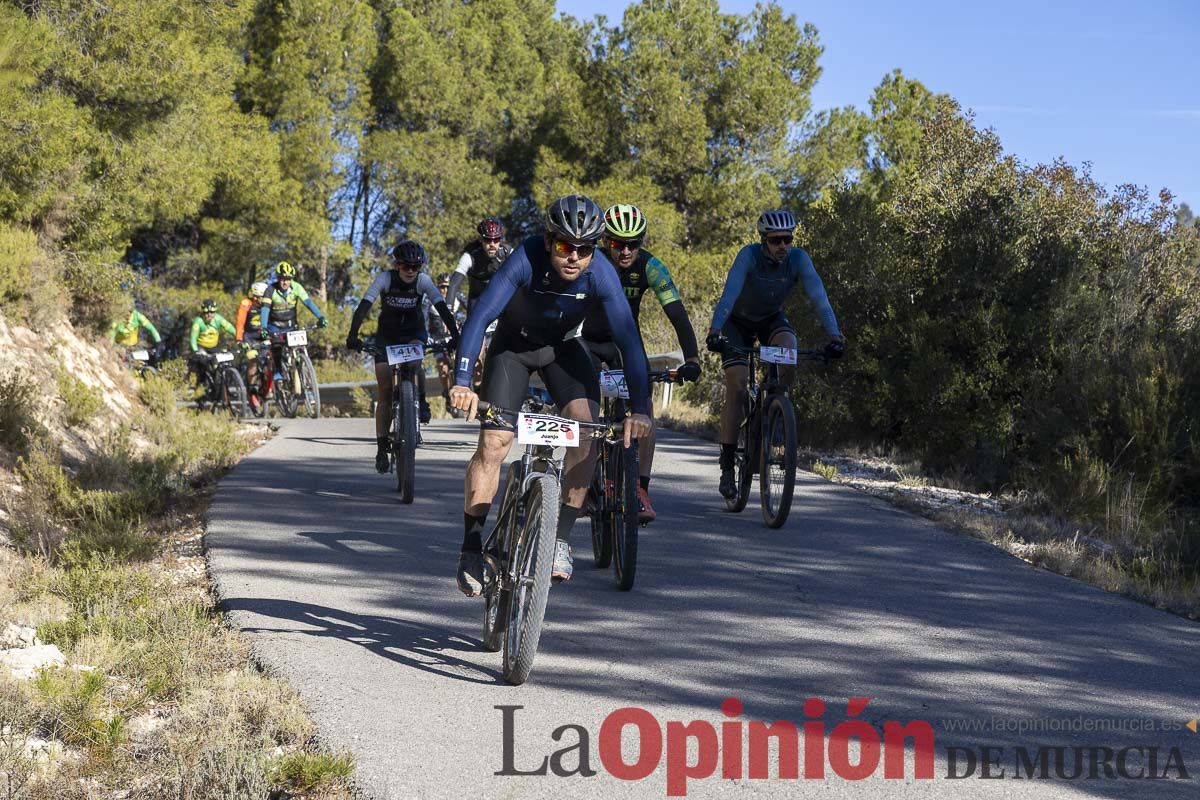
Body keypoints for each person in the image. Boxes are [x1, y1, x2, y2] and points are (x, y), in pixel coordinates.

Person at [449, 195, 654, 596]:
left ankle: (558, 537)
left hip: (563, 349)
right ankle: (471, 547)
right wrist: (461, 381)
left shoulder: (602, 274)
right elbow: (481, 315)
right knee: (495, 443)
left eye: (585, 249)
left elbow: (630, 343)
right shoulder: (525, 258)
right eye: (565, 245)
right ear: (548, 241)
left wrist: (641, 409)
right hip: (513, 348)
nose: (574, 256)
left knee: (589, 433)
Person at [705, 210, 846, 499]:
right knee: (738, 386)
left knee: (789, 356)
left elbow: (819, 297)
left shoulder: (798, 260)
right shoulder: (749, 257)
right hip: (737, 322)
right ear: (764, 240)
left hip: (771, 319)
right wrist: (716, 330)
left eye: (788, 239)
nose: (783, 245)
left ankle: (774, 411)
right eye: (776, 240)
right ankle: (728, 465)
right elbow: (729, 295)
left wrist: (835, 336)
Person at [581, 203, 702, 523]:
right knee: (583, 410)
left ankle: (639, 487)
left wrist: (692, 358)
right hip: (588, 341)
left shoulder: (650, 266)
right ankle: (580, 483)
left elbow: (677, 313)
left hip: (625, 346)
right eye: (617, 243)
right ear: (606, 240)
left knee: (644, 409)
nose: (625, 251)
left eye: (633, 243)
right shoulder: (590, 261)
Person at [346, 241, 460, 473]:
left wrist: (456, 335)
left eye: (415, 267)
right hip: (387, 336)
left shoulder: (423, 281)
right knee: (385, 390)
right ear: (397, 265)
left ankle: (421, 400)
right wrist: (353, 335)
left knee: (414, 362)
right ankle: (381, 447)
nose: (410, 271)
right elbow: (364, 305)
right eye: (406, 266)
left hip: (413, 333)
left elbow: (442, 308)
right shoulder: (385, 279)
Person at [260, 261, 329, 382]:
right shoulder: (270, 290)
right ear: (278, 278)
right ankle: (278, 370)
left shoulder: (296, 287)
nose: (285, 282)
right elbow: (265, 309)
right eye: (282, 279)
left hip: (291, 325)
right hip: (275, 326)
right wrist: (264, 327)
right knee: (277, 347)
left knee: (299, 345)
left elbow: (308, 303)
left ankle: (300, 367)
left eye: (288, 279)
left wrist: (320, 317)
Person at [446, 217, 512, 313]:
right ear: (481, 239)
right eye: (488, 240)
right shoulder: (469, 256)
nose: (492, 244)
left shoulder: (507, 252)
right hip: (477, 299)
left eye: (496, 239)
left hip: (500, 297)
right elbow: (454, 284)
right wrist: (448, 311)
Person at [426, 274, 464, 414]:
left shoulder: (458, 298)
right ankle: (447, 392)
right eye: (442, 287)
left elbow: (473, 311)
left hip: (454, 337)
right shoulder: (430, 301)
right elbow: (423, 318)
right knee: (443, 369)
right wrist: (425, 336)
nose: (445, 290)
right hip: (437, 339)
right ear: (438, 287)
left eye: (448, 287)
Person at [188, 299, 237, 396]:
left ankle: (221, 388)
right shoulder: (198, 322)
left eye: (212, 312)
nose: (209, 315)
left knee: (218, 365)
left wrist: (239, 338)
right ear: (203, 312)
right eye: (206, 312)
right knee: (203, 366)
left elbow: (230, 328)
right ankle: (200, 390)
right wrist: (195, 351)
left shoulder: (218, 319)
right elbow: (193, 339)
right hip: (201, 347)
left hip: (214, 346)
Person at [235, 281, 269, 413]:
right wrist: (240, 339)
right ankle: (253, 391)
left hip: (263, 336)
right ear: (255, 297)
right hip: (249, 338)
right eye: (262, 297)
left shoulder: (267, 304)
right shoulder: (246, 304)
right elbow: (239, 323)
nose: (265, 299)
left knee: (271, 359)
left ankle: (270, 387)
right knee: (253, 362)